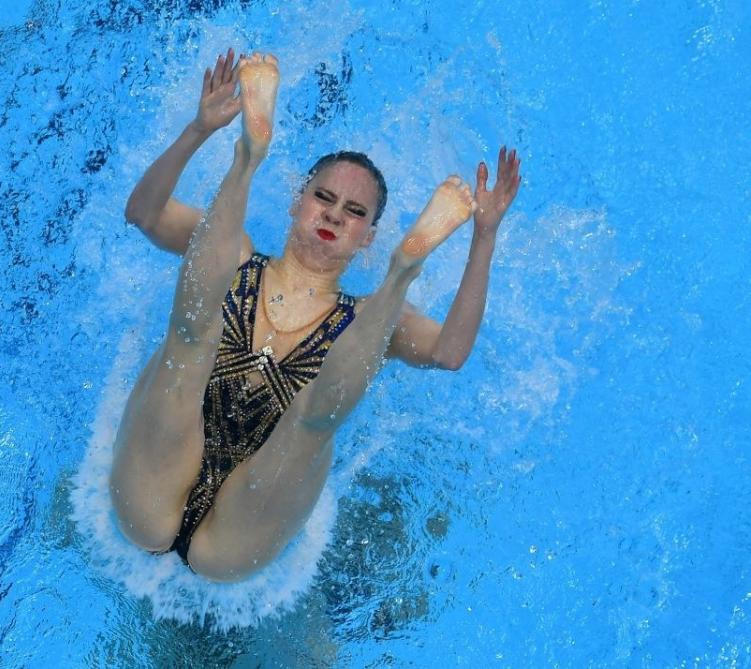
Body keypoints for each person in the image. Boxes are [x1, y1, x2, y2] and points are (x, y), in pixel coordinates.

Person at [108, 48, 521, 583]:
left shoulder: (369, 322)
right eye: (323, 198)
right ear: (297, 203)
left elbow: (449, 351)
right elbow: (142, 212)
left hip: (235, 533)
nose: (334, 213)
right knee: (194, 336)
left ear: (368, 237)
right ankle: (247, 156)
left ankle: (402, 272)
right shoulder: (231, 251)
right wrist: (198, 128)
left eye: (354, 212)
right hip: (158, 493)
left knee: (309, 417)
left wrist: (483, 236)